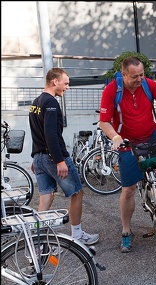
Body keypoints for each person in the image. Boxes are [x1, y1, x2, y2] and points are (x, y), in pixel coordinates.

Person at [99, 56, 156, 253]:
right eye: (135, 76)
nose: (140, 79)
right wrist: (115, 137)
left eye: (142, 74)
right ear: (124, 75)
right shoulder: (112, 90)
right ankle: (126, 231)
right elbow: (104, 122)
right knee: (128, 190)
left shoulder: (148, 84)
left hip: (150, 134)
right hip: (127, 142)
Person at [29, 68, 99, 245]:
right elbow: (50, 134)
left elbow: (36, 132)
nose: (67, 87)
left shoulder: (36, 102)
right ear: (54, 81)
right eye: (66, 83)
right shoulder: (51, 103)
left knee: (46, 198)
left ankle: (37, 244)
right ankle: (77, 235)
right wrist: (60, 160)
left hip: (40, 157)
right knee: (77, 192)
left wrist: (36, 157)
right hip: (54, 156)